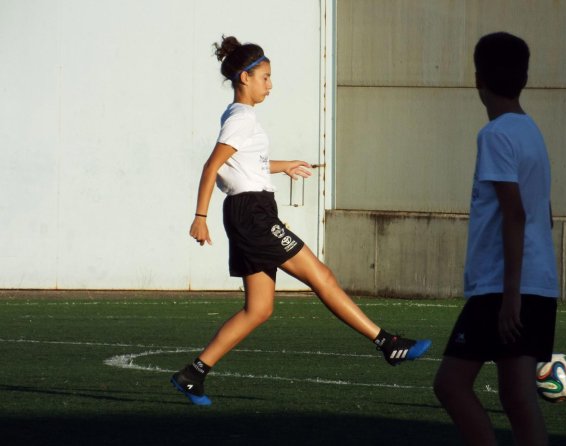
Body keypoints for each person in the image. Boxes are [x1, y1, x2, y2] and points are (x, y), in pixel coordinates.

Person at [170, 35, 432, 406]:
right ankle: (387, 343)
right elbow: (212, 166)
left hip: (249, 211)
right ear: (245, 78)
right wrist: (199, 216)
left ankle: (192, 374)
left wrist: (282, 166)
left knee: (259, 309)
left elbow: (244, 166)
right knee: (320, 276)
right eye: (265, 77)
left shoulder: (237, 117)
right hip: (253, 215)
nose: (270, 85)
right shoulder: (241, 119)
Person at [433, 32, 559, 445]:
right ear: (524, 78)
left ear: (477, 79)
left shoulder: (495, 135)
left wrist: (509, 297)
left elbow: (515, 213)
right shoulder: (531, 131)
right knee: (517, 395)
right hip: (537, 282)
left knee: (451, 383)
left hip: (503, 286)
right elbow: (544, 212)